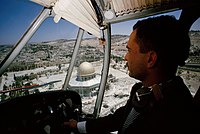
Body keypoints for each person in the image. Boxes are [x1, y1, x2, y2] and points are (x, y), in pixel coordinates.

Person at [63, 15, 197, 134]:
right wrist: (80, 126)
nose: (125, 57)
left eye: (129, 50)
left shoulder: (175, 115)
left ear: (150, 59)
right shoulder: (141, 90)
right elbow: (120, 118)